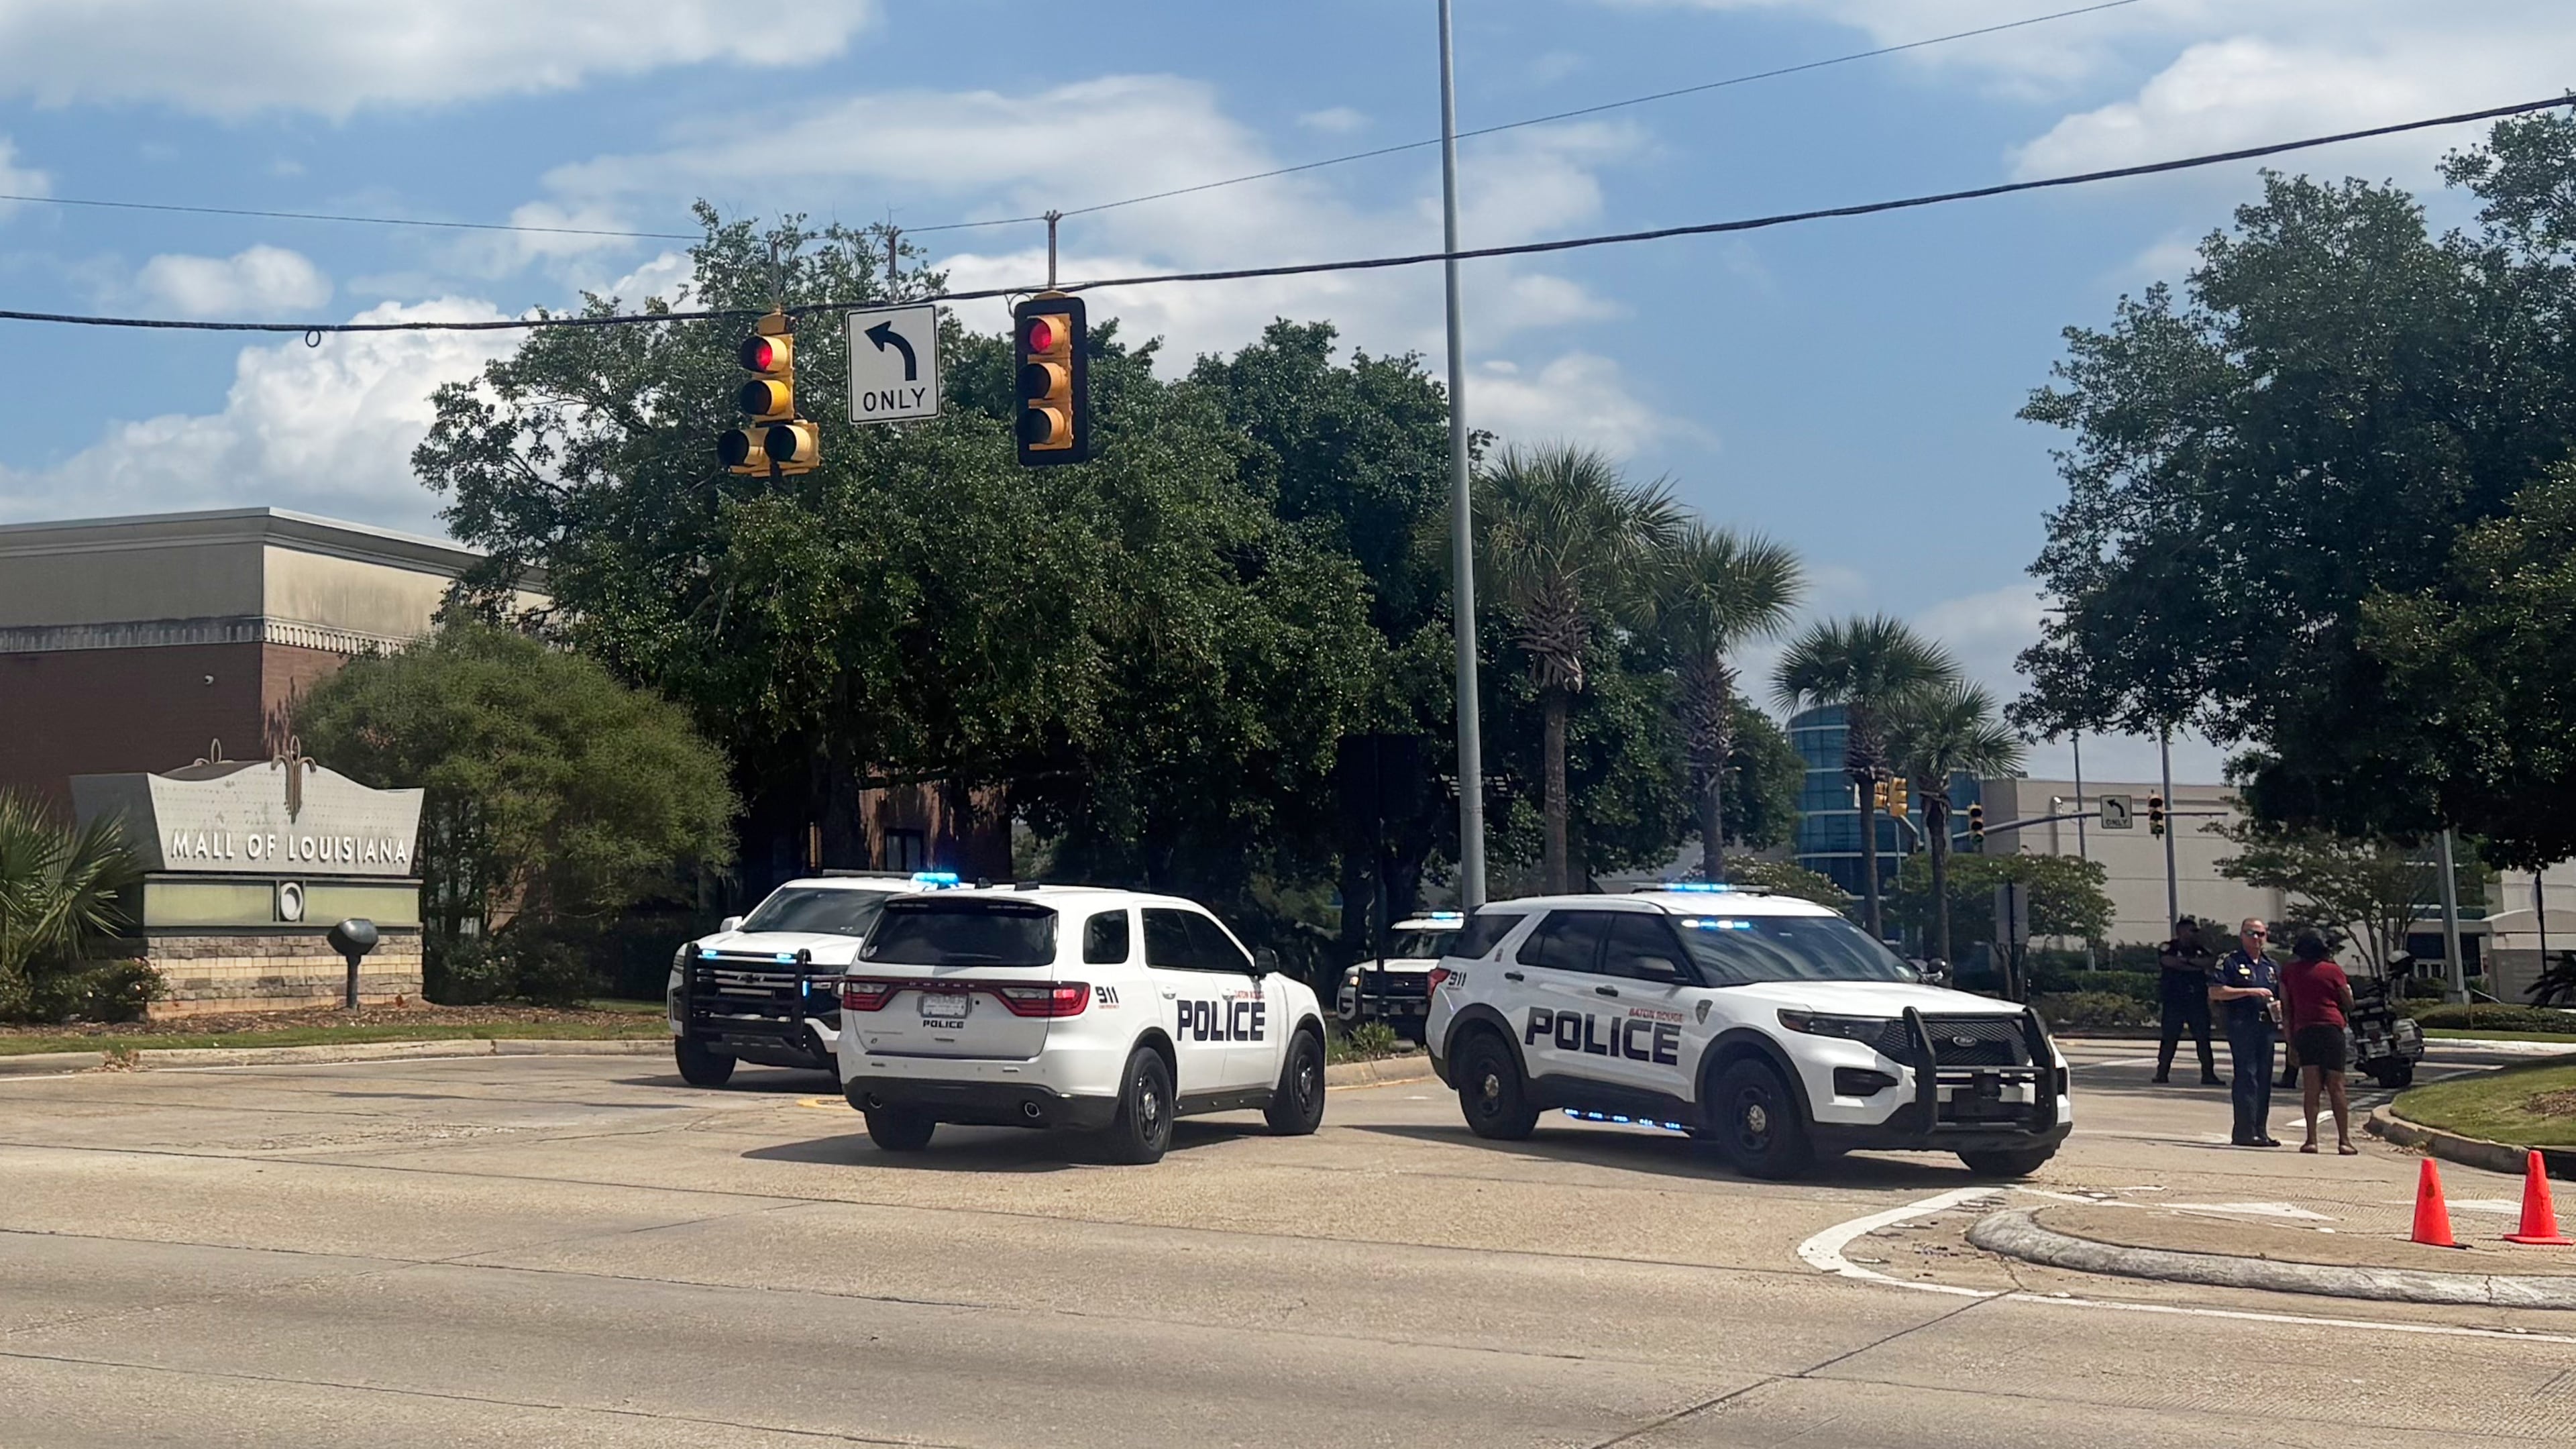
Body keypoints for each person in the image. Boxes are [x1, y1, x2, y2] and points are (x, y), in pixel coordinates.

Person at [2280, 932, 2359, 1155]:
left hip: (2304, 1029)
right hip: (2331, 1028)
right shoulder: (2333, 970)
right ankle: (2344, 1141)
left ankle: (2311, 1140)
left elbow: (2286, 1009)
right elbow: (2349, 1001)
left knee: (2311, 1088)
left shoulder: (2289, 972)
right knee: (2337, 1086)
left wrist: (2290, 1042)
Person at [2208, 916, 2282, 1147]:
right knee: (2247, 1076)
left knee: (2264, 1078)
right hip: (2242, 1024)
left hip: (2266, 1026)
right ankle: (2244, 1131)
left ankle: (2261, 1130)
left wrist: (2281, 1007)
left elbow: (2280, 994)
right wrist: (2249, 992)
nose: (2257, 938)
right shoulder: (2230, 961)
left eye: (2261, 934)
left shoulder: (2271, 966)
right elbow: (2216, 992)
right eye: (2251, 933)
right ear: (2241, 935)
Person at [2153, 916, 2220, 1085]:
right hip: (2174, 1000)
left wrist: (2187, 962)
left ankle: (2208, 1074)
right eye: (2192, 931)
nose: (2194, 934)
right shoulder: (2168, 947)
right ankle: (2162, 1073)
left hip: (2196, 1001)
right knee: (2170, 1038)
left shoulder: (2200, 949)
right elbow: (2169, 962)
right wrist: (2195, 966)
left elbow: (2210, 962)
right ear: (2181, 931)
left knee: (2203, 1038)